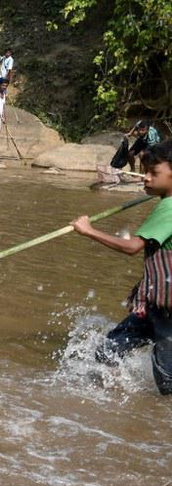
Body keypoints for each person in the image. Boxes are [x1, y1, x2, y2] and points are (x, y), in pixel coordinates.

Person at [70, 140, 172, 394]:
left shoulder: (169, 208)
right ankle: (117, 402)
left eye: (153, 173)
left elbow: (132, 247)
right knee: (109, 350)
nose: (145, 178)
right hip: (154, 305)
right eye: (145, 171)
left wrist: (88, 230)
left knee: (167, 383)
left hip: (168, 313)